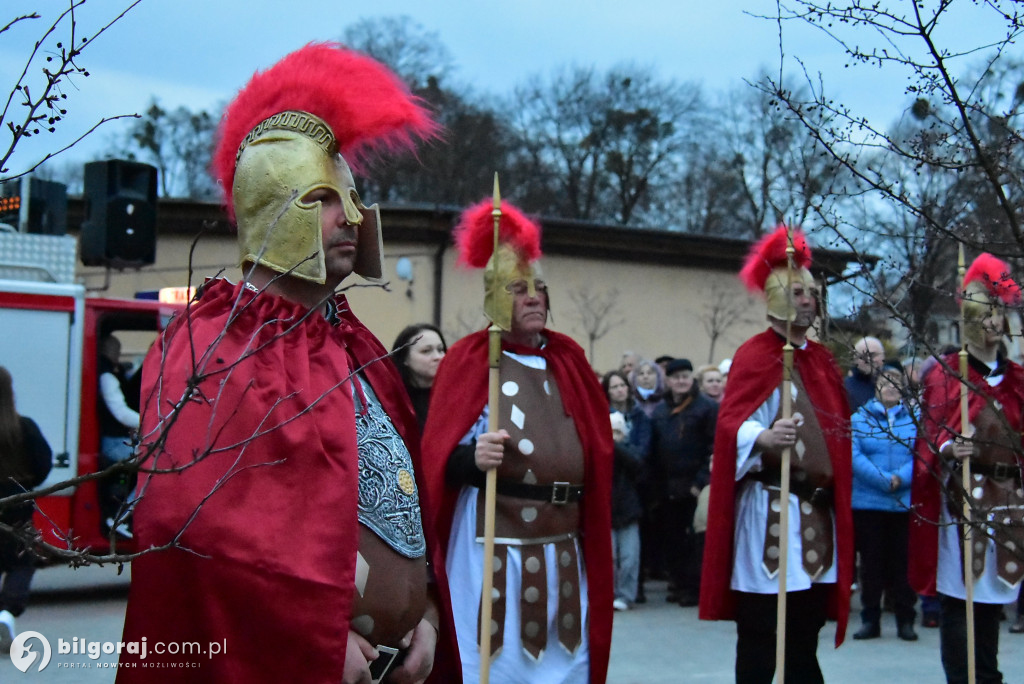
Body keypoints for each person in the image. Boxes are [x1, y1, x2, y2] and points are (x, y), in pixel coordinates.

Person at [118, 44, 458, 684]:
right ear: (274, 206)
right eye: (325, 198)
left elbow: (404, 509)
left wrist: (429, 614)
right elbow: (191, 529)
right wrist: (309, 642)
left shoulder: (354, 345)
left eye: (352, 198)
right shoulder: (213, 343)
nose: (351, 217)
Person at [421, 198, 614, 684]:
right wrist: (471, 458)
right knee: (495, 660)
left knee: (566, 661)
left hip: (564, 541)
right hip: (493, 541)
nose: (534, 298)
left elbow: (595, 445)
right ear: (495, 297)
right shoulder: (471, 360)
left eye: (540, 289)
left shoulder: (568, 360)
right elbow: (438, 453)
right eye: (519, 288)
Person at [699, 226, 854, 684]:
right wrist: (762, 437)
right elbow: (730, 424)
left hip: (816, 516)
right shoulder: (755, 355)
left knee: (805, 633)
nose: (808, 300)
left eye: (812, 293)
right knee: (763, 633)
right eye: (798, 292)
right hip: (771, 509)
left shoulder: (823, 360)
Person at [909, 253, 1024, 684]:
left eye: (1001, 315)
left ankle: (988, 676)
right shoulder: (944, 375)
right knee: (961, 599)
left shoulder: (1017, 379)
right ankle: (963, 677)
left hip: (1007, 502)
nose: (996, 323)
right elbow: (928, 434)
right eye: (988, 315)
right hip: (962, 501)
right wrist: (946, 448)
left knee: (993, 600)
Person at [850, 365, 918, 641]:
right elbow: (853, 455)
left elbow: (922, 455)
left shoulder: (914, 419)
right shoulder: (859, 418)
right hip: (869, 503)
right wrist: (881, 479)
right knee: (871, 565)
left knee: (903, 565)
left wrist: (900, 479)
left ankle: (906, 620)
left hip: (903, 502)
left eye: (896, 381)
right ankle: (870, 619)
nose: (891, 386)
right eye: (885, 381)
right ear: (876, 386)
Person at [649, 358, 718, 607]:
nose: (681, 381)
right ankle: (677, 584)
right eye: (676, 377)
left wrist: (700, 482)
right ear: (668, 381)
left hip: (694, 486)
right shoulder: (660, 411)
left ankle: (692, 588)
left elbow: (714, 446)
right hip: (668, 487)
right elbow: (655, 450)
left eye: (685, 376)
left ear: (692, 380)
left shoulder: (707, 408)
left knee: (694, 540)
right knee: (673, 538)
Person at [0, 366, 52, 653]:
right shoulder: (25, 428)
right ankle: (6, 615)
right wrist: (26, 486)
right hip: (17, 508)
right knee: (21, 562)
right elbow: (43, 464)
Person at [602, 370, 651, 611]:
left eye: (623, 385)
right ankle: (607, 593)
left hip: (630, 498)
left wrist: (618, 445)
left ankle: (626, 594)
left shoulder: (640, 419)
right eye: (614, 387)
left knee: (630, 555)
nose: (620, 390)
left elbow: (640, 460)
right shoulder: (598, 418)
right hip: (607, 498)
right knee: (608, 555)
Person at [97, 333, 139, 539]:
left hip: (113, 441)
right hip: (113, 444)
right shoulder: (107, 376)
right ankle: (120, 519)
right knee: (157, 468)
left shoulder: (105, 373)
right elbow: (121, 413)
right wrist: (156, 422)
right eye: (117, 351)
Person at [392, 323, 448, 431]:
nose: (438, 357)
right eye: (426, 351)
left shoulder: (455, 396)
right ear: (405, 358)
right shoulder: (393, 401)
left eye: (441, 350)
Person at [846, 336, 885, 412]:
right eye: (863, 356)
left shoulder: (896, 386)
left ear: (883, 357)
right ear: (855, 359)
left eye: (873, 355)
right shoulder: (845, 388)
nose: (869, 359)